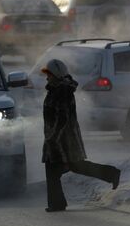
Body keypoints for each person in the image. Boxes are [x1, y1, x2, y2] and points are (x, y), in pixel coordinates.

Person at [42, 59, 121, 212]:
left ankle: (57, 204)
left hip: (62, 140)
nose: (47, 77)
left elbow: (62, 118)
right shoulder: (58, 89)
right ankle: (111, 174)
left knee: (56, 170)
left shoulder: (62, 91)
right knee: (74, 167)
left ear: (57, 75)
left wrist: (53, 138)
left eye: (49, 74)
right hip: (61, 139)